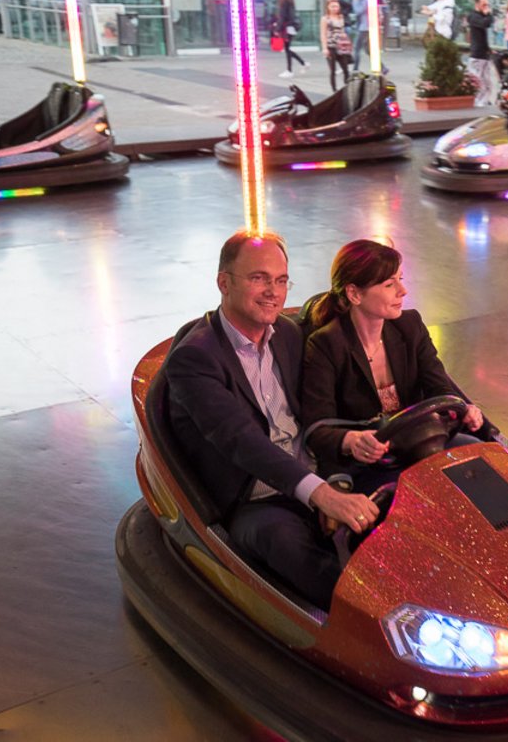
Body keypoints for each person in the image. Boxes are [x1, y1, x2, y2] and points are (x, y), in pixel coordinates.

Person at [166, 231, 379, 608]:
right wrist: (321, 494)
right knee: (286, 544)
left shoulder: (288, 336)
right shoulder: (195, 359)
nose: (273, 292)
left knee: (399, 500)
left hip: (316, 477)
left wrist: (336, 482)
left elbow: (318, 417)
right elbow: (241, 440)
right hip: (255, 498)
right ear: (224, 283)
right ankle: (373, 620)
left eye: (281, 281)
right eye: (259, 278)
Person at [302, 240, 485, 494]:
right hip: (372, 463)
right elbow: (317, 429)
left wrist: (464, 410)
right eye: (390, 284)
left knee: (486, 465)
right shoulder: (326, 345)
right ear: (354, 294)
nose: (403, 291)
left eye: (401, 279)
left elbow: (440, 388)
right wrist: (352, 441)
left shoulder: (410, 326)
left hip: (424, 441)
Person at [466, 0, 496, 107]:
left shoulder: (482, 16)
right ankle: (478, 104)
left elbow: (489, 23)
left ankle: (484, 103)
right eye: (484, 5)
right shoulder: (473, 16)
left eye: (487, 5)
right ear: (477, 4)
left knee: (488, 83)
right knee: (478, 83)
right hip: (477, 55)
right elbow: (485, 23)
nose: (486, 7)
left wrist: (489, 49)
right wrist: (488, 14)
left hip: (484, 54)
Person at [274, 0, 307, 79]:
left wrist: (277, 28)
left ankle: (291, 69)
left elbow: (283, 17)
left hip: (287, 28)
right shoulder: (290, 0)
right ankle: (300, 64)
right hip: (290, 27)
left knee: (287, 49)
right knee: (287, 49)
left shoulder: (284, 2)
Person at [320, 0, 353, 91]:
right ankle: (334, 89)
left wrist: (346, 43)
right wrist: (324, 48)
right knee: (333, 70)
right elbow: (323, 34)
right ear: (328, 7)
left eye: (336, 6)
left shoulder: (341, 17)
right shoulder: (325, 19)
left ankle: (347, 87)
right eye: (332, 6)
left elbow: (342, 31)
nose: (335, 8)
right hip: (331, 45)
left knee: (345, 68)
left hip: (341, 46)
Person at [350, 0, 369, 70]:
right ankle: (383, 68)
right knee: (368, 49)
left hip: (364, 27)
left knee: (357, 48)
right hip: (363, 26)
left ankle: (355, 68)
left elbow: (358, 11)